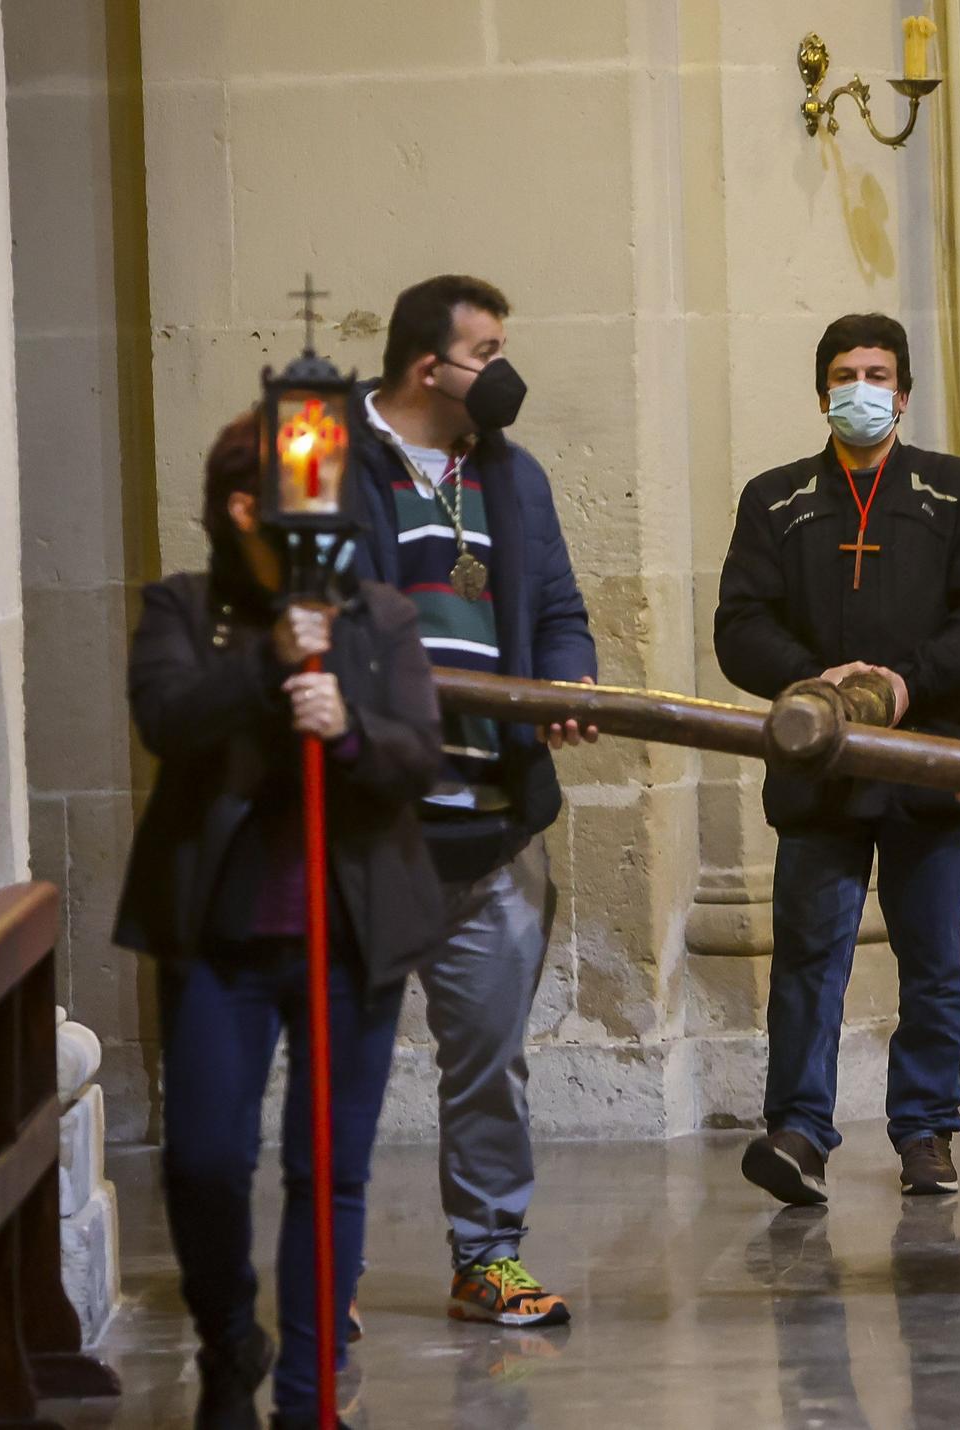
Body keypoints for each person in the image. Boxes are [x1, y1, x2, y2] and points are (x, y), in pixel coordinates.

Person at [115, 411, 444, 1430]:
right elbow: (168, 718)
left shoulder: (378, 614)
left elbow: (414, 756)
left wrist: (346, 730)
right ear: (244, 507)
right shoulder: (182, 606)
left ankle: (306, 1399)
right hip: (221, 935)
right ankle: (229, 1340)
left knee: (327, 1168)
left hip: (350, 933)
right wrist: (268, 662)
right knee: (205, 1156)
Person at [343, 274, 596, 1329]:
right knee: (337, 1063)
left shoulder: (515, 477)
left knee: (490, 1062)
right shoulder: (325, 460)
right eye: (484, 351)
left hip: (491, 822)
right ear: (424, 367)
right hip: (368, 825)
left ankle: (487, 1253)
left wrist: (570, 683)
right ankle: (325, 1271)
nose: (502, 370)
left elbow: (557, 607)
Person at [715, 312, 960, 1204]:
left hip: (927, 760)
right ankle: (799, 1131)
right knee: (809, 956)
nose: (861, 389)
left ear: (905, 393)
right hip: (819, 766)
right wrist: (820, 685)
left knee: (931, 957)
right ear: (820, 394)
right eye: (845, 374)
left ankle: (925, 1131)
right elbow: (738, 626)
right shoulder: (774, 498)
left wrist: (902, 684)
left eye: (878, 374)